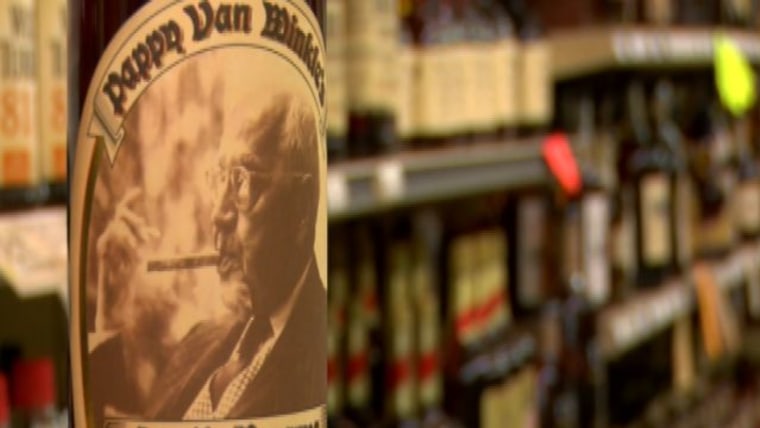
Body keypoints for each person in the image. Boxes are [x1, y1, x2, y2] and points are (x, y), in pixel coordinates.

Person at [93, 91, 326, 421]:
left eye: (243, 182)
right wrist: (112, 314)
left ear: (300, 207)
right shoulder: (204, 338)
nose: (218, 214)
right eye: (219, 179)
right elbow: (126, 414)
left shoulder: (314, 350)